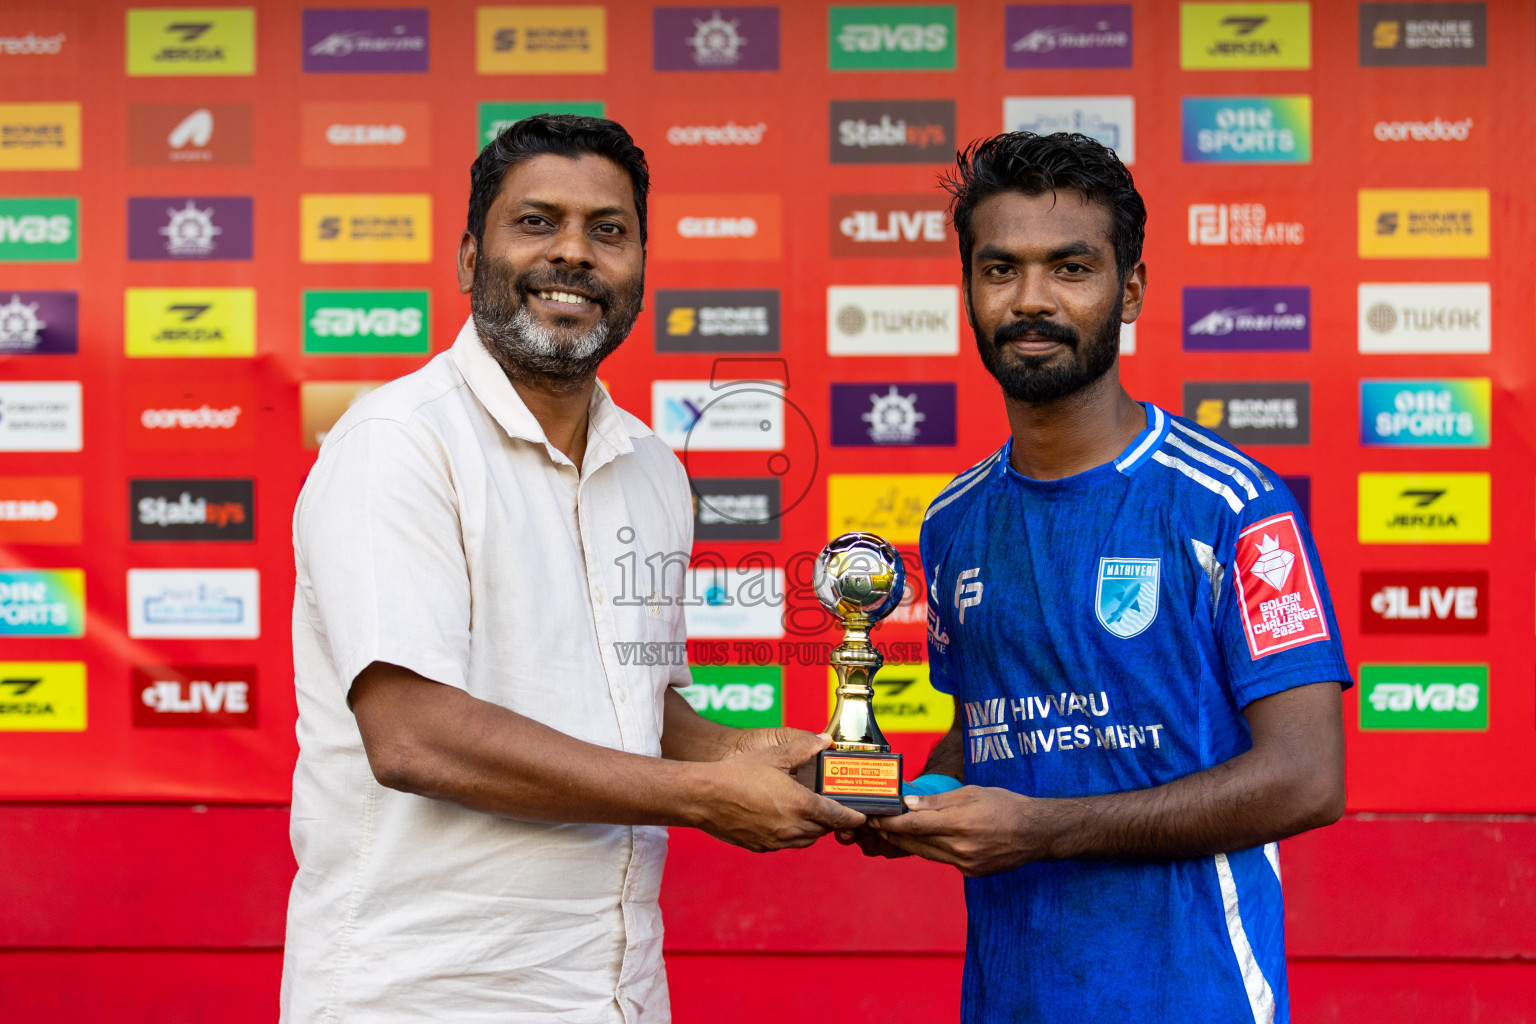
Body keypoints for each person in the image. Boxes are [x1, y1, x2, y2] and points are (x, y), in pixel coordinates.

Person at [280, 115, 863, 1023]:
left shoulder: (653, 470)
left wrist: (768, 756)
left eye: (608, 230)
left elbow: (639, 713)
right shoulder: (398, 443)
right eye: (537, 222)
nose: (574, 253)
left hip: (613, 989)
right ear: (471, 259)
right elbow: (411, 735)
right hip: (422, 995)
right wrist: (705, 796)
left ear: (638, 269)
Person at [850, 132, 1351, 1023]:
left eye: (1070, 269)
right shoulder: (952, 523)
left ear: (1130, 290)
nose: (1031, 300)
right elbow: (994, 742)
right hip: (1010, 995)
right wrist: (893, 802)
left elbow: (1308, 779)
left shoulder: (1230, 506)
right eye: (1000, 270)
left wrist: (1047, 829)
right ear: (969, 289)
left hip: (1193, 996)